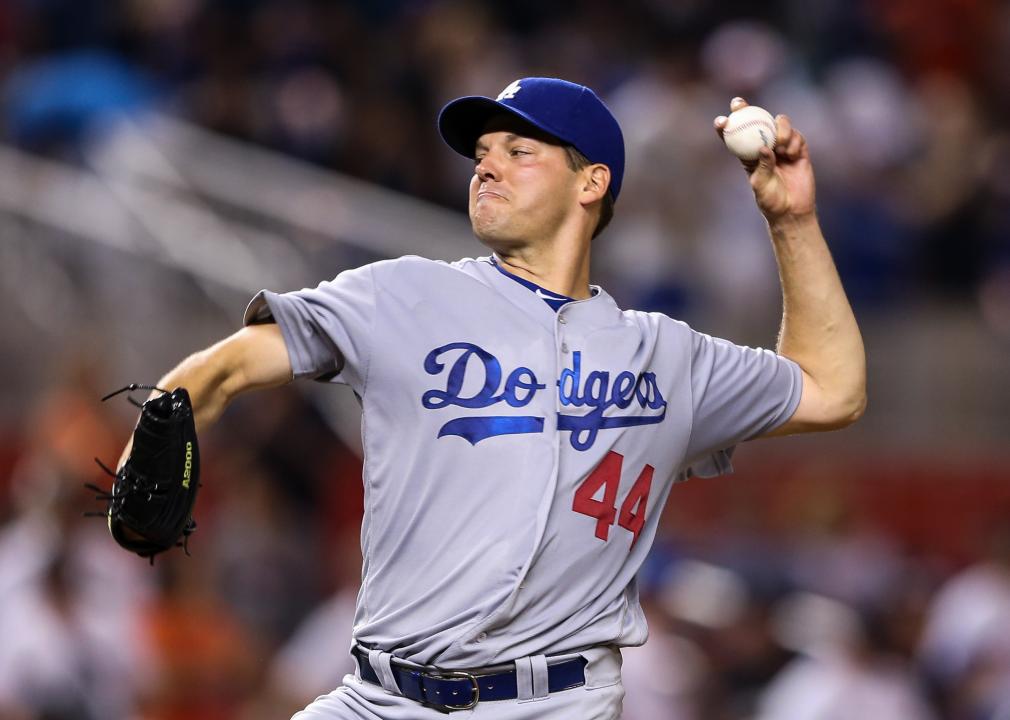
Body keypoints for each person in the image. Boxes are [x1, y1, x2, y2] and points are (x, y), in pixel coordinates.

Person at [120, 77, 865, 719]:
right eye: (481, 156)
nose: (487, 169)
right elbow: (233, 363)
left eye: (518, 152)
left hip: (554, 703)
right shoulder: (403, 293)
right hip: (381, 698)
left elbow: (832, 391)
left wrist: (790, 220)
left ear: (590, 182)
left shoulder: (669, 357)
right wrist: (158, 424)